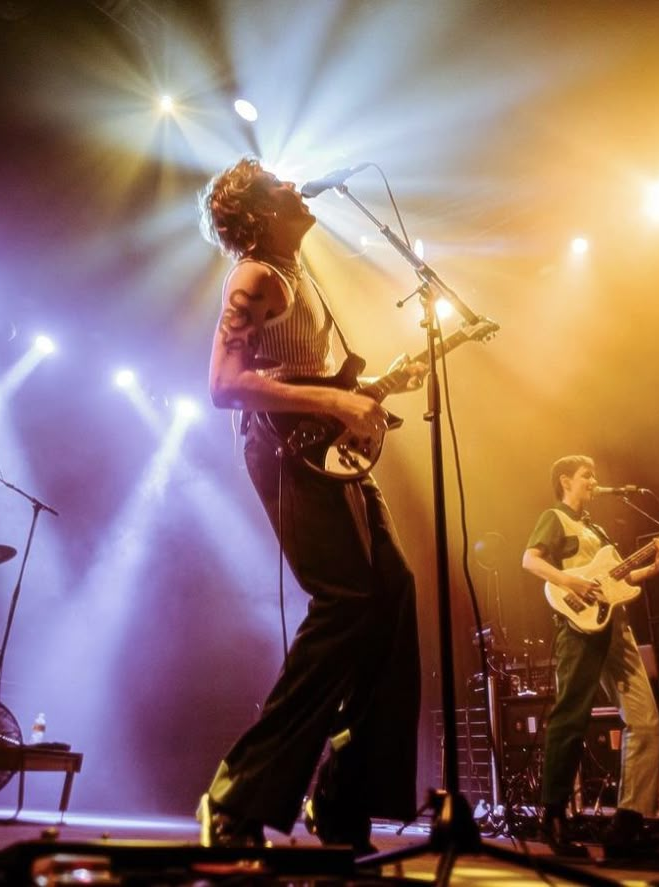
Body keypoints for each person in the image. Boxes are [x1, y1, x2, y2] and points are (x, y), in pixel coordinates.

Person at [195, 156, 425, 854]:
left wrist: (375, 386)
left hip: (326, 453)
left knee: (391, 591)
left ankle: (342, 795)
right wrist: (332, 399)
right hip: (285, 455)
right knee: (345, 600)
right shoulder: (257, 275)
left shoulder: (299, 273)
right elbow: (225, 383)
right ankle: (237, 790)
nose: (298, 185)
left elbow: (306, 374)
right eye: (281, 184)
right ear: (262, 212)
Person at [522, 454, 659, 859]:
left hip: (616, 625)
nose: (594, 480)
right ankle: (552, 816)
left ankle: (629, 822)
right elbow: (530, 559)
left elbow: (616, 578)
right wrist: (569, 579)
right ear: (566, 480)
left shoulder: (598, 529)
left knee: (645, 719)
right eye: (587, 475)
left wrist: (651, 568)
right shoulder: (555, 517)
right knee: (571, 714)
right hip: (579, 627)